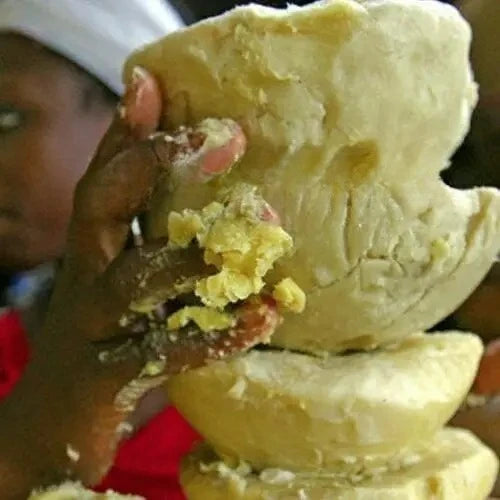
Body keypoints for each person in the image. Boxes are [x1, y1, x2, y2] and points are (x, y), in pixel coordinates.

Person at [0, 0, 498, 498]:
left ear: (133, 122)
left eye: (7, 118)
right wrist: (25, 461)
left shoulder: (413, 406)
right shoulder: (32, 367)